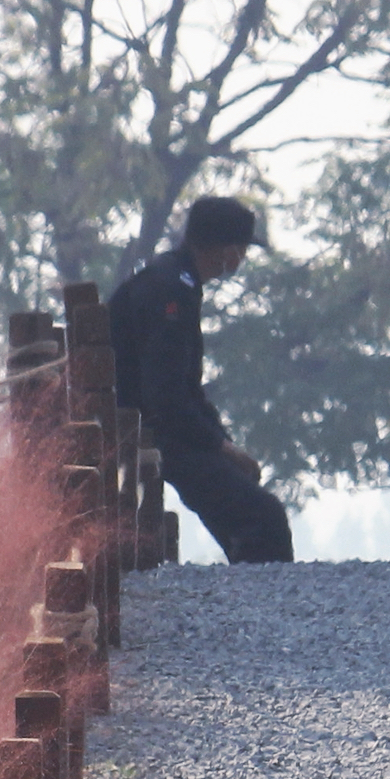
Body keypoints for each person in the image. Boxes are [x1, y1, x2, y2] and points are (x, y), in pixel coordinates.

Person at [106, 195, 293, 564]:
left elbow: (186, 390)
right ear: (227, 250)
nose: (241, 258)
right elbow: (166, 398)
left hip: (160, 426)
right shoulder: (171, 291)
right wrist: (221, 448)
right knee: (263, 518)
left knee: (251, 510)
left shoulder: (175, 280)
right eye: (241, 248)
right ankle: (263, 608)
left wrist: (222, 443)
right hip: (146, 431)